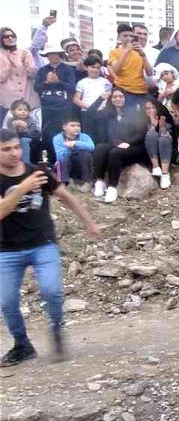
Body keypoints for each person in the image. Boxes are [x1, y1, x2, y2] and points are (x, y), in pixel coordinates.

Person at [0, 129, 102, 366]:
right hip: (6, 249)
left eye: (16, 147)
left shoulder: (39, 171)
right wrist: (24, 187)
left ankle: (56, 330)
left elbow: (67, 197)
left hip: (42, 244)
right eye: (6, 149)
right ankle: (22, 345)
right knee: (6, 302)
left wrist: (89, 223)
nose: (14, 153)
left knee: (52, 291)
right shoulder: (22, 180)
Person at [93, 90, 145, 203]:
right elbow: (90, 114)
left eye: (121, 96)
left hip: (134, 147)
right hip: (116, 145)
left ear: (125, 99)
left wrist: (129, 143)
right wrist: (100, 98)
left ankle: (112, 188)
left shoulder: (135, 113)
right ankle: (100, 181)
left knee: (114, 153)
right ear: (111, 99)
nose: (118, 99)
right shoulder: (108, 114)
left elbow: (141, 132)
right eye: (115, 97)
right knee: (100, 148)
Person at [50, 117, 95, 187]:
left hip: (80, 164)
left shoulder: (84, 136)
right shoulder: (58, 138)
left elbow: (92, 147)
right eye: (73, 126)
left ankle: (87, 182)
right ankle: (64, 182)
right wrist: (69, 148)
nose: (77, 128)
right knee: (62, 159)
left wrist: (76, 143)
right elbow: (60, 155)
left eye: (78, 126)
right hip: (66, 163)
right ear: (64, 127)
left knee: (86, 154)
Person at [142, 101, 174, 190]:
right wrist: (152, 125)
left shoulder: (164, 118)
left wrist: (160, 126)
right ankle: (155, 167)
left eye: (153, 108)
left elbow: (167, 135)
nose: (151, 110)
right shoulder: (141, 121)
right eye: (148, 108)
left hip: (165, 153)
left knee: (164, 138)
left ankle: (165, 174)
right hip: (148, 154)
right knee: (151, 134)